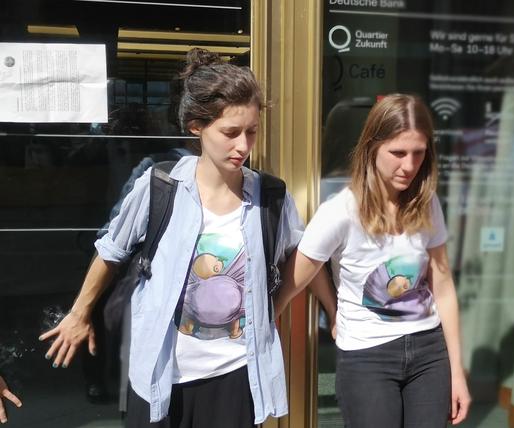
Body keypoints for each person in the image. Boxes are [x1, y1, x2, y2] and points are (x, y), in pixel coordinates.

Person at [39, 48, 304, 427]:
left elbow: (303, 254)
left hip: (237, 376)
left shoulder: (271, 198)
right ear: (197, 126)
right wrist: (80, 313)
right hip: (160, 373)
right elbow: (111, 251)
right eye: (230, 133)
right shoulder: (160, 185)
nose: (243, 146)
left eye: (252, 132)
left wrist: (269, 309)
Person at [276, 94, 472, 427]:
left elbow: (443, 285)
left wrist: (457, 372)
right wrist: (323, 311)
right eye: (397, 153)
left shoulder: (427, 204)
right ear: (372, 147)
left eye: (418, 153)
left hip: (429, 352)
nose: (409, 166)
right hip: (367, 357)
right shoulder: (340, 211)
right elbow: (302, 271)